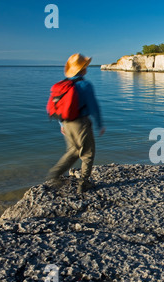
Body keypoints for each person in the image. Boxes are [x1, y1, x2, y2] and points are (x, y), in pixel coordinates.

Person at [47, 53, 106, 193]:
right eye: (86, 66)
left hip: (66, 123)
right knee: (87, 154)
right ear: (83, 68)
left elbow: (60, 107)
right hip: (81, 123)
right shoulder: (85, 85)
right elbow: (93, 107)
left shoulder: (64, 85)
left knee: (73, 151)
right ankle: (83, 184)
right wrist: (99, 124)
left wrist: (62, 125)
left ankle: (55, 173)